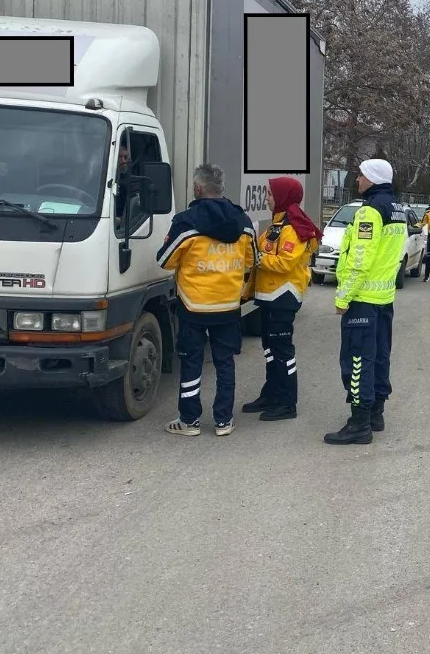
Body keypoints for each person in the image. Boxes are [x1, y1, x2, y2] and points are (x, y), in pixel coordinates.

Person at [156, 163, 258, 437]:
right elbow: (252, 260)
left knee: (192, 361)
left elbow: (164, 261)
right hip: (228, 305)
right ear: (221, 188)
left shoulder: (186, 221)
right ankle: (224, 421)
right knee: (225, 362)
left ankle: (189, 421)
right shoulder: (243, 222)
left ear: (198, 188)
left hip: (194, 305)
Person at [324, 158, 405, 446]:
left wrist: (343, 297)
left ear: (371, 178)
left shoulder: (370, 211)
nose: (357, 179)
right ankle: (375, 414)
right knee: (380, 356)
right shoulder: (397, 209)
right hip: (384, 298)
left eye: (360, 175)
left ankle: (359, 423)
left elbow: (360, 258)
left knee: (357, 360)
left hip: (363, 299)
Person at [241, 176, 322, 422]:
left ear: (283, 196)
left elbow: (285, 262)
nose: (266, 197)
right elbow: (262, 248)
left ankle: (287, 403)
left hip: (283, 297)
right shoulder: (277, 224)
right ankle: (272, 393)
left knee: (282, 351)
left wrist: (257, 257)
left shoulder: (293, 227)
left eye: (269, 193)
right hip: (269, 296)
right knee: (270, 349)